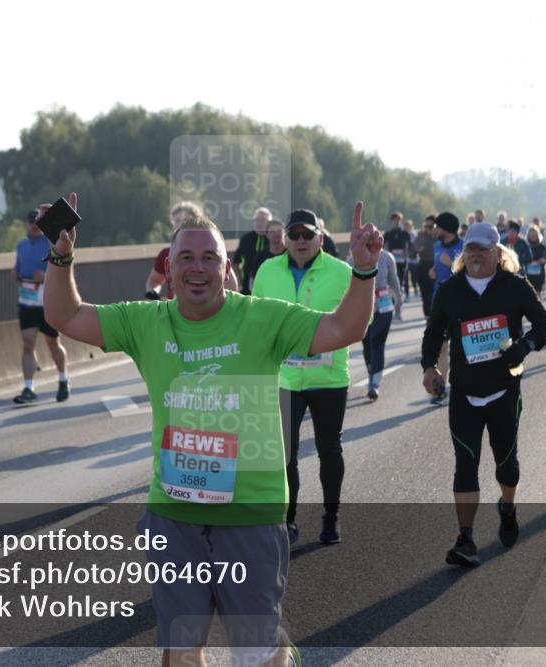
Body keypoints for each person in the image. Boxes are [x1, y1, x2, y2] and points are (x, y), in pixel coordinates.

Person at [42, 192, 382, 667]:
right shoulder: (146, 322)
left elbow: (345, 328)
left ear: (226, 269)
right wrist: (60, 256)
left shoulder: (261, 316)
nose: (196, 267)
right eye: (185, 258)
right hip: (174, 514)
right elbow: (65, 315)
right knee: (179, 651)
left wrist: (364, 270)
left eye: (209, 258)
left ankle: (277, 651)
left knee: (254, 654)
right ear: (170, 268)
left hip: (251, 513)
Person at [421, 222, 546, 567]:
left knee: (506, 465)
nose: (476, 255)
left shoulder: (515, 287)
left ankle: (507, 507)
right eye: (471, 249)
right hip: (464, 394)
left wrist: (523, 347)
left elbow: (545, 327)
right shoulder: (450, 290)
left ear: (498, 253)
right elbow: (434, 333)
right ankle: (465, 538)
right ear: (464, 253)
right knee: (465, 465)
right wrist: (429, 368)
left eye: (483, 249)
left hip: (503, 392)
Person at [253, 209, 354, 545]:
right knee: (285, 455)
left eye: (306, 235)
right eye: (293, 235)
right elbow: (257, 318)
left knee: (329, 449)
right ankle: (288, 520)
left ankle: (331, 514)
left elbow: (356, 320)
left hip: (328, 378)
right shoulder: (267, 270)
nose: (299, 241)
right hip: (284, 379)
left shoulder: (341, 272)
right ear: (284, 239)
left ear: (320, 239)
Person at [13, 208, 70, 404]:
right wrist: (16, 275)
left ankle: (63, 379)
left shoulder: (51, 243)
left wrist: (45, 277)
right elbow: (18, 269)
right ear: (26, 224)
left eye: (37, 221)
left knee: (53, 343)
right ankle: (29, 387)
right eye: (30, 221)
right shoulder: (21, 246)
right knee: (28, 343)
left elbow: (65, 271)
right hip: (27, 302)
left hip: (48, 302)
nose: (33, 224)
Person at [427, 212, 464, 404]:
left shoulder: (464, 246)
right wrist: (433, 271)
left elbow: (472, 273)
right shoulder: (436, 246)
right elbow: (437, 267)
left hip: (460, 302)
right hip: (439, 302)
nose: (435, 230)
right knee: (441, 347)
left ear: (446, 228)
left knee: (462, 347)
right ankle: (441, 389)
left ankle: (463, 385)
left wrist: (452, 266)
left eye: (438, 227)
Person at [361, 245, 402, 400]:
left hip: (384, 307)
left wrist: (398, 299)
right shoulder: (353, 260)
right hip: (363, 309)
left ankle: (375, 385)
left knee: (376, 342)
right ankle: (371, 374)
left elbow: (394, 279)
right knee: (367, 344)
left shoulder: (386, 257)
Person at [146, 201, 203, 300]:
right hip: (173, 309)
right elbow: (154, 280)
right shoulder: (166, 254)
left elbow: (231, 284)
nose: (181, 224)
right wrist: (153, 295)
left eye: (186, 220)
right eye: (177, 220)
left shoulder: (210, 250)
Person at [233, 206, 272, 294]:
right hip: (248, 288)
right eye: (257, 220)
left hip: (270, 285)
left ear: (270, 222)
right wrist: (240, 281)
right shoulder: (246, 239)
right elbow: (236, 262)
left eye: (263, 220)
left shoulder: (273, 239)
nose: (259, 223)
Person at [248, 219, 286, 289]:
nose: (276, 234)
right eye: (272, 231)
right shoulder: (260, 257)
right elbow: (253, 283)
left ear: (285, 233)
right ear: (267, 234)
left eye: (279, 231)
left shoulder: (291, 255)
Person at [413, 215, 437, 316]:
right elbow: (412, 251)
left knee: (434, 293)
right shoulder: (420, 235)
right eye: (426, 226)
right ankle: (428, 316)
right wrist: (416, 249)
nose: (427, 229)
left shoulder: (439, 237)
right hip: (423, 265)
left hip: (436, 266)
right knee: (424, 294)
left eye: (430, 227)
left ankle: (436, 314)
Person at [384, 211, 411, 301]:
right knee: (392, 279)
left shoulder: (405, 233)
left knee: (401, 278)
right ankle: (393, 297)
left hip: (402, 261)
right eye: (394, 220)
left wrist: (407, 252)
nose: (396, 221)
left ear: (401, 221)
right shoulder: (388, 234)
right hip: (391, 260)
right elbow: (381, 245)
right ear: (392, 221)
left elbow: (410, 246)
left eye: (398, 220)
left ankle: (401, 296)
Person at [525, 227, 546, 294]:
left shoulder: (542, 247)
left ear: (538, 235)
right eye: (531, 235)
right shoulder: (525, 246)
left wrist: (543, 260)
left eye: (534, 235)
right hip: (527, 275)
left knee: (537, 295)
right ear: (528, 236)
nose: (533, 237)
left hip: (539, 275)